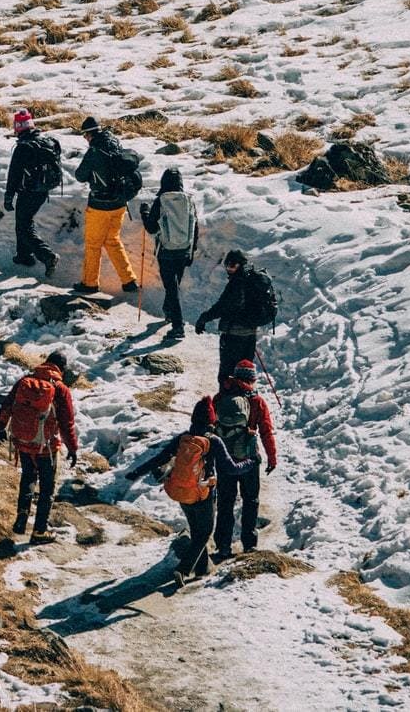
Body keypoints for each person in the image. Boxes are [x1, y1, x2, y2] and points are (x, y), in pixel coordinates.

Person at [126, 412, 256, 583]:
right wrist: (252, 461)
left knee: (196, 530)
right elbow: (231, 468)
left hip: (181, 493)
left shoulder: (183, 439)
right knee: (205, 533)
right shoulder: (213, 441)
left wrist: (136, 472)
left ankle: (202, 568)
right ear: (211, 422)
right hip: (203, 494)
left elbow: (160, 458)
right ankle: (183, 569)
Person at [192, 360, 278, 559]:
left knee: (225, 502)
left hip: (225, 458)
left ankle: (223, 545)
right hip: (248, 457)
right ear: (252, 379)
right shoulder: (257, 401)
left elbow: (209, 427)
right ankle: (249, 544)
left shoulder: (220, 397)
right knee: (251, 500)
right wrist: (271, 457)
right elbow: (266, 431)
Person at [0, 349, 79, 542]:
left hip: (23, 442)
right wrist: (72, 448)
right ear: (61, 368)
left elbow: (7, 404)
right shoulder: (60, 389)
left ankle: (21, 519)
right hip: (46, 447)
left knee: (28, 478)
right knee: (47, 488)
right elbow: (67, 423)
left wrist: (0, 427)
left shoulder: (25, 381)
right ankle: (40, 531)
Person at [71, 116, 144, 292]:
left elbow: (80, 175)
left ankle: (90, 283)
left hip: (99, 205)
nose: (85, 139)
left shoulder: (94, 152)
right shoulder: (116, 145)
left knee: (93, 244)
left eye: (84, 135)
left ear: (89, 134)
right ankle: (128, 281)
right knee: (112, 240)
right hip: (119, 203)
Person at [195, 249, 279, 381]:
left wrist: (203, 319)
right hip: (250, 335)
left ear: (240, 265)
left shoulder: (238, 282)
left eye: (232, 266)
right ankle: (246, 398)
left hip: (233, 336)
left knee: (227, 376)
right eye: (227, 266)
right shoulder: (253, 279)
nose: (229, 269)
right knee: (245, 374)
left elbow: (222, 306)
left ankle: (227, 401)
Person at [140, 168, 198, 338]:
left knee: (172, 288)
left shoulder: (161, 200)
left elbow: (151, 227)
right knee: (173, 286)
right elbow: (195, 227)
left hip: (166, 251)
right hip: (184, 251)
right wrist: (191, 252)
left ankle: (178, 326)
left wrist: (144, 212)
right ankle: (169, 311)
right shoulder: (189, 201)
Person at [3, 110, 62, 276]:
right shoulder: (48, 142)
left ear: (18, 128)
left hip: (28, 191)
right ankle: (24, 255)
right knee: (23, 221)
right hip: (43, 190)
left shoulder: (23, 147)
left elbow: (13, 175)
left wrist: (9, 197)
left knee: (23, 226)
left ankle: (47, 256)